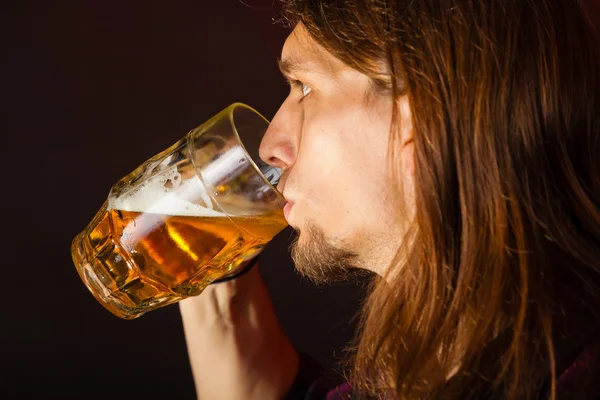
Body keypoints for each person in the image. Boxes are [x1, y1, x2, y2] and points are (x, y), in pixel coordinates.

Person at [179, 0, 600, 398]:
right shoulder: (466, 354)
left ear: (422, 110)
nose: (271, 146)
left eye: (304, 87)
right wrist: (203, 241)